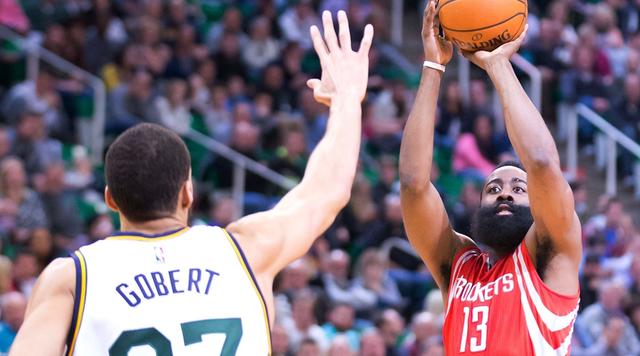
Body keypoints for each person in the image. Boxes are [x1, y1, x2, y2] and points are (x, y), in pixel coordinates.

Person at [10, 11, 374, 355]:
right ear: (188, 192)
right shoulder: (245, 251)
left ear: (110, 199)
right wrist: (346, 100)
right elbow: (328, 190)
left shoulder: (71, 279)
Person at [399, 2, 582, 355]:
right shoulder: (458, 263)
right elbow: (412, 184)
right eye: (493, 188)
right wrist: (434, 65)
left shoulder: (552, 251)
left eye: (518, 188)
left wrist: (498, 65)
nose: (505, 195)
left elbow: (542, 162)